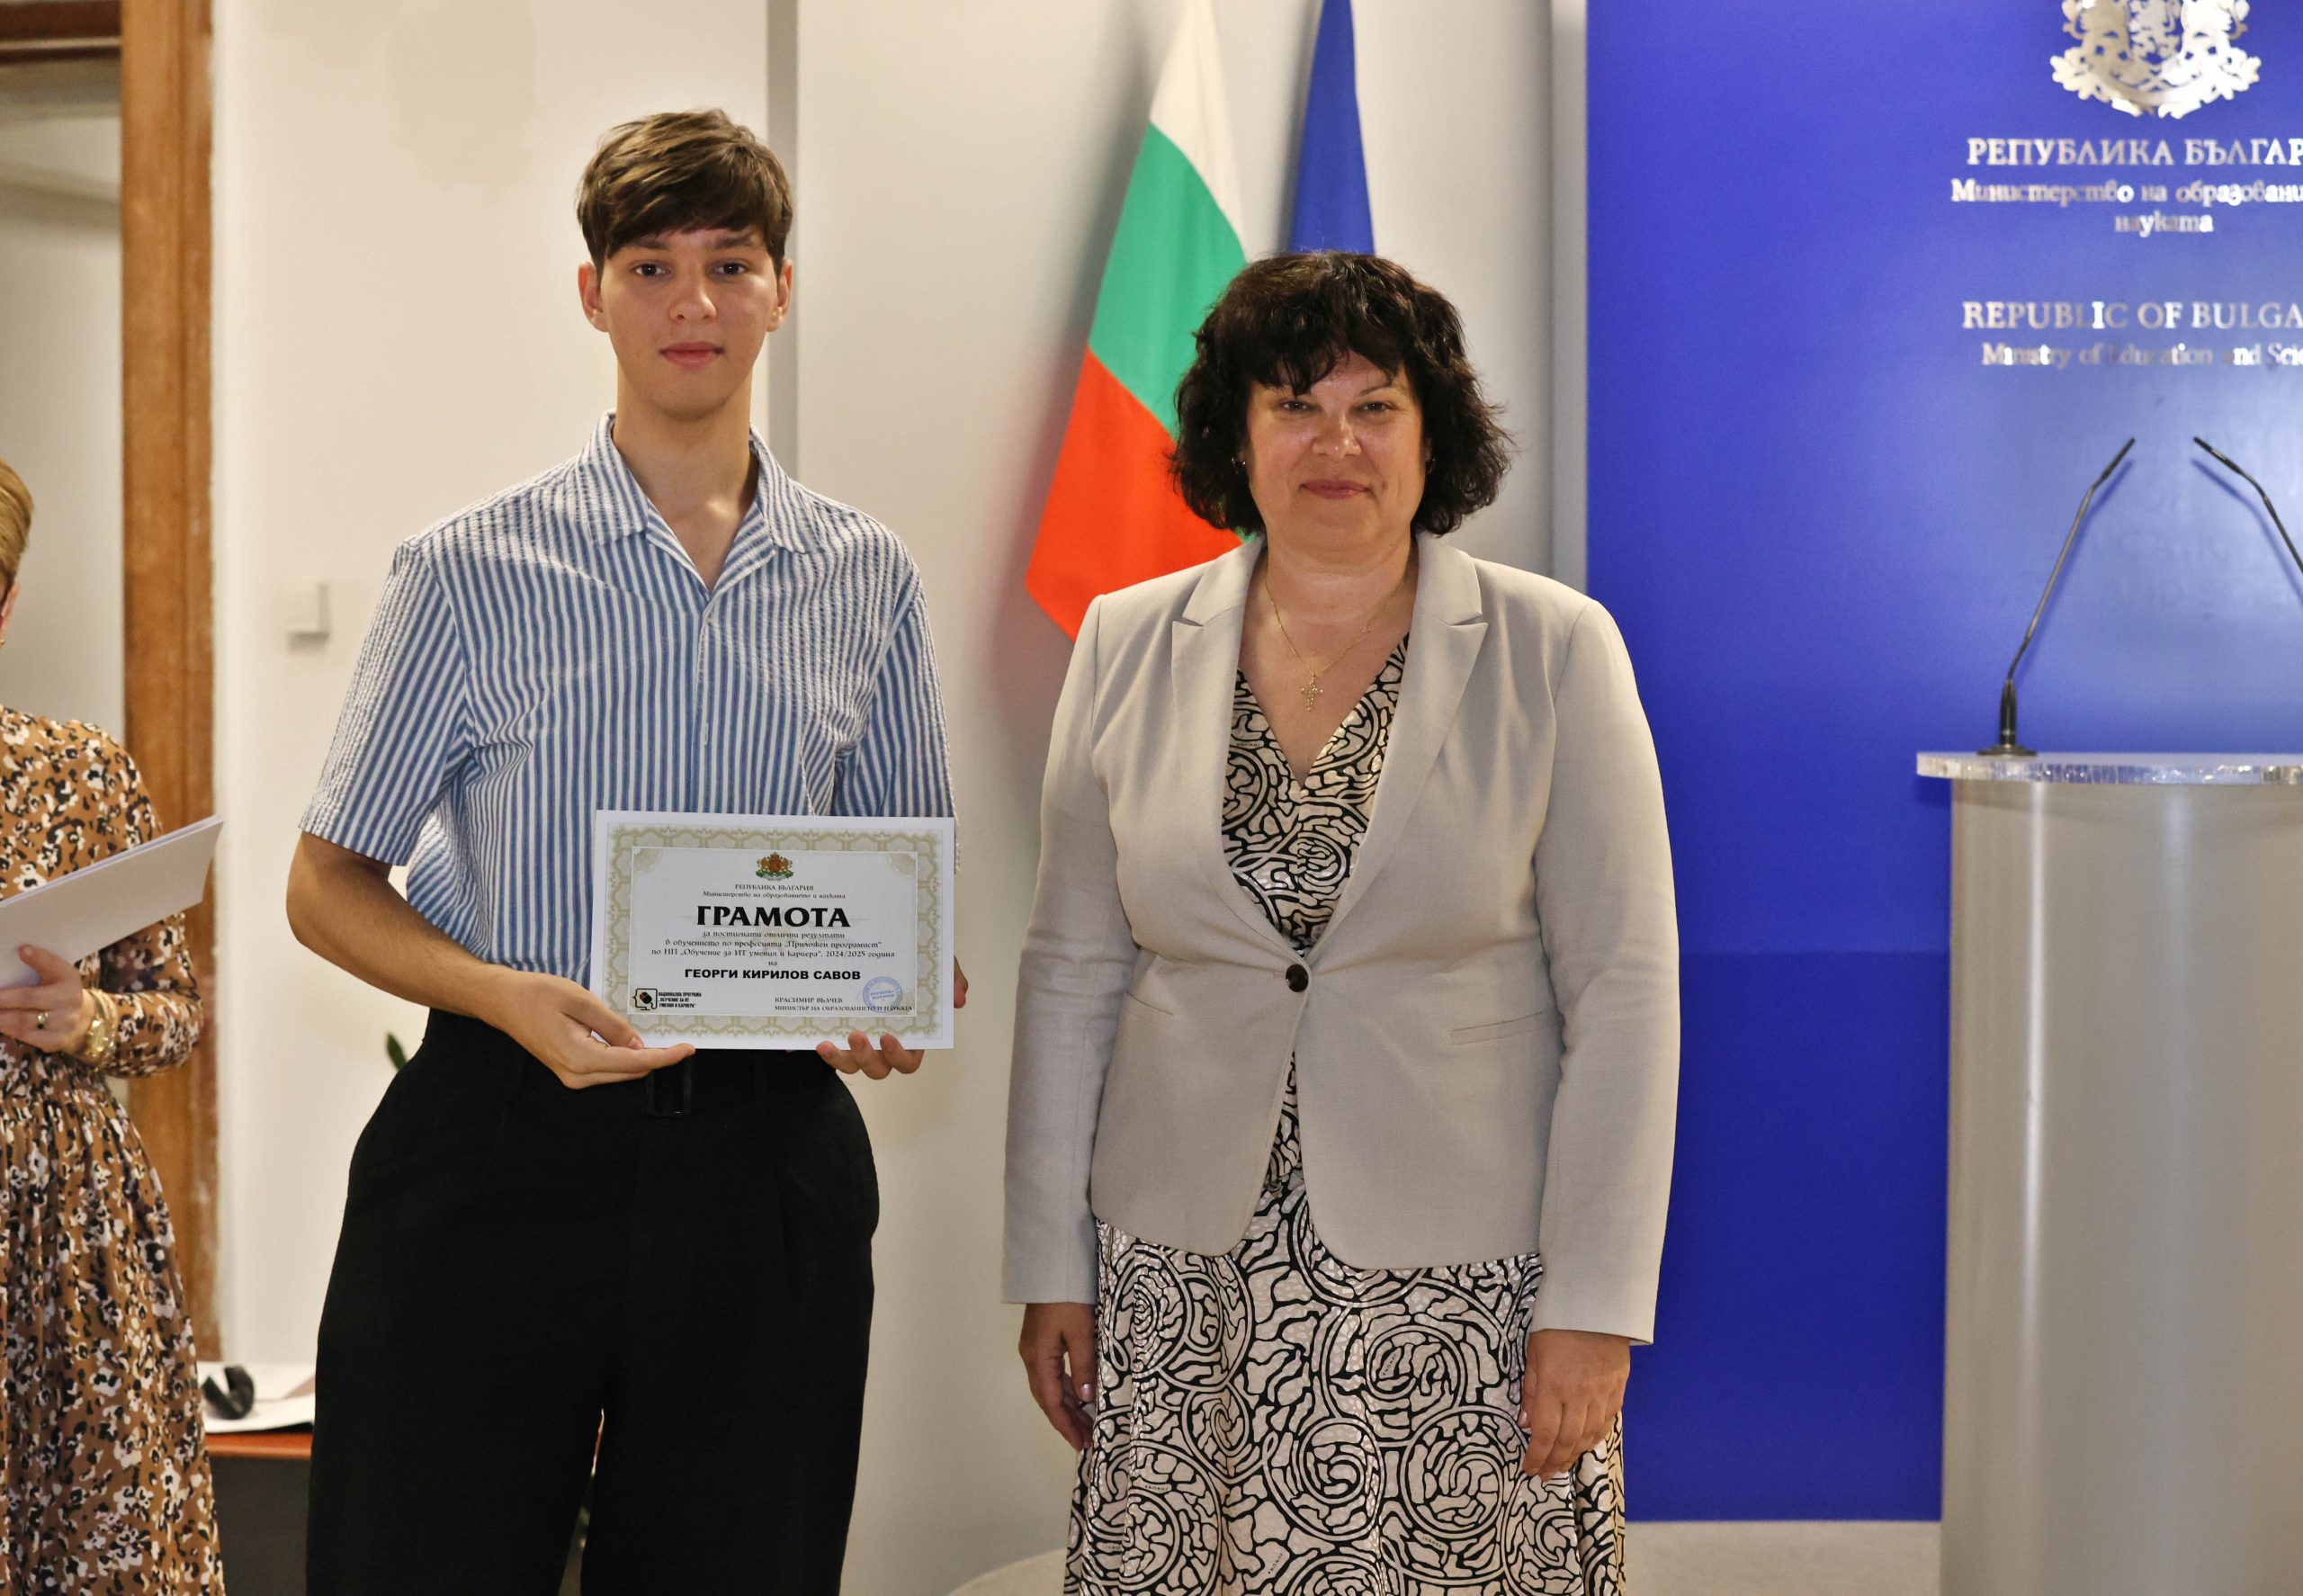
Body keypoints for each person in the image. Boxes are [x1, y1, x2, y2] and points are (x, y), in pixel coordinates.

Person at [287, 110, 957, 1594]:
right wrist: (504, 994)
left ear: (783, 289)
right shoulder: (466, 573)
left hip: (765, 1168)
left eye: (731, 264)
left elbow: (903, 887)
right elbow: (324, 885)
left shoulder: (868, 578)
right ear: (592, 294)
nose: (692, 302)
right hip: (495, 1144)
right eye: (651, 266)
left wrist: (894, 993)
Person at [1004, 253, 1679, 1592]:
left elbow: (1625, 989)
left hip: (1467, 1285)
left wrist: (1596, 1303)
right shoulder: (1125, 639)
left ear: (1434, 436)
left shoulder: (1554, 647)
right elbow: (1070, 970)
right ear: (1233, 435)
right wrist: (1049, 1262)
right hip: (1181, 1272)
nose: (1336, 445)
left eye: (1376, 408)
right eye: (1294, 406)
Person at [0, 456, 220, 1592]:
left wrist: (87, 1018)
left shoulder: (83, 773)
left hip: (69, 1236)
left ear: (5, 602)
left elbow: (175, 1012)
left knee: (92, 1545)